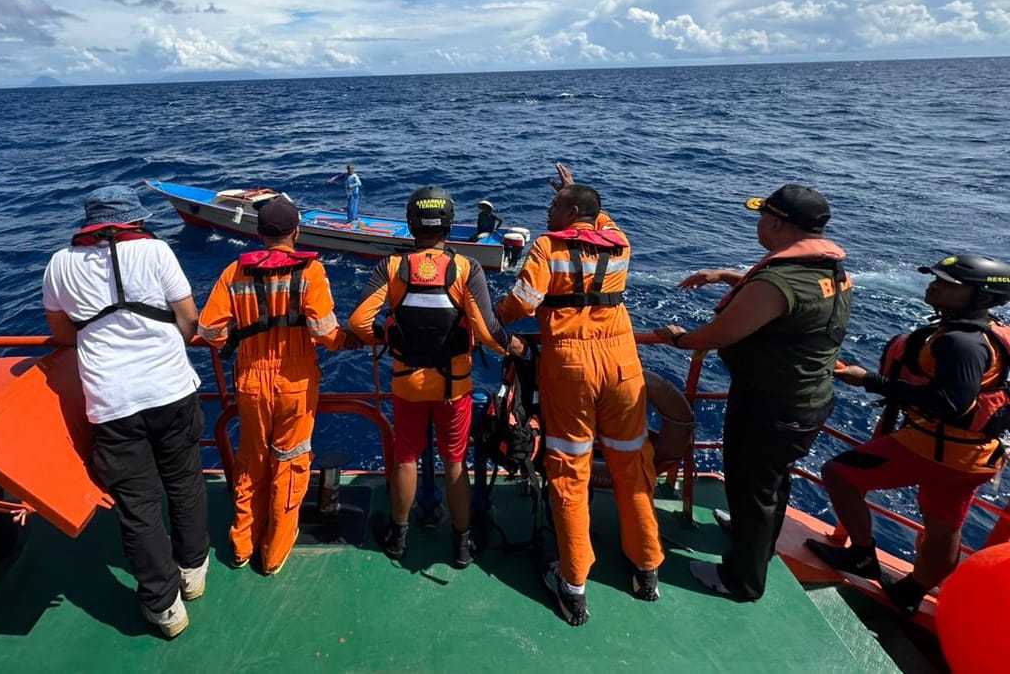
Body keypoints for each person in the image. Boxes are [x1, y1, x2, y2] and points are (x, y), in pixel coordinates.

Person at [654, 183, 853, 601]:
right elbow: (789, 305)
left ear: (779, 223)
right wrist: (727, 276)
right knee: (773, 483)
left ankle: (741, 580)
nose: (759, 223)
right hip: (808, 399)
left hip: (770, 405)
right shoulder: (831, 271)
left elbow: (717, 333)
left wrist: (677, 339)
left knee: (753, 486)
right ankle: (755, 538)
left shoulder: (779, 282)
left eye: (764, 217)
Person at [42, 185, 208, 639]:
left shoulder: (59, 264)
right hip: (171, 388)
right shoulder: (156, 251)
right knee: (184, 480)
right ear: (133, 220)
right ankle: (193, 572)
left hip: (110, 400)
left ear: (90, 223)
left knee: (137, 505)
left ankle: (164, 607)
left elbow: (61, 333)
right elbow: (188, 318)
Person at [806, 254, 1010, 615]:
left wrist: (870, 380)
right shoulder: (988, 333)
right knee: (943, 528)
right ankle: (913, 591)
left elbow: (951, 403)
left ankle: (862, 556)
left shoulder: (962, 343)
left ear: (982, 298)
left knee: (839, 474)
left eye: (949, 284)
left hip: (935, 448)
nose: (935, 285)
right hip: (972, 455)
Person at [497, 183, 663, 625]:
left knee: (570, 473)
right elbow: (602, 221)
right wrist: (579, 192)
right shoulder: (620, 242)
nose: (547, 211)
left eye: (553, 205)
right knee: (633, 466)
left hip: (571, 366)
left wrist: (491, 316)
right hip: (623, 363)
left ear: (570, 211)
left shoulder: (547, 248)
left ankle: (572, 586)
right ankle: (647, 568)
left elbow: (523, 302)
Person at [350, 186, 522, 568]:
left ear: (411, 223)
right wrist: (515, 348)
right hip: (453, 387)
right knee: (456, 462)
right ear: (448, 224)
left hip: (407, 383)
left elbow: (359, 321)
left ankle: (398, 537)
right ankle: (461, 546)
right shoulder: (465, 267)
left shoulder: (392, 267)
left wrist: (386, 336)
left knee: (406, 459)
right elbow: (490, 332)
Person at [198, 196, 353, 576]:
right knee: (291, 460)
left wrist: (236, 343)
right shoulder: (311, 273)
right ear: (296, 232)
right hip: (295, 381)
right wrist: (344, 341)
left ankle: (241, 543)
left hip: (250, 379)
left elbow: (209, 329)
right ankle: (273, 552)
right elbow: (324, 330)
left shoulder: (235, 271)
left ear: (259, 233)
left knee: (252, 460)